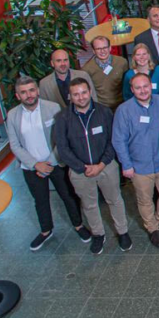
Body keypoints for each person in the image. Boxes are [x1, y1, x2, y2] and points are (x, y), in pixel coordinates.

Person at [7, 76, 91, 251]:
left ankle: (78, 225)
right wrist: (35, 165)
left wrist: (50, 162)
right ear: (18, 95)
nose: (29, 95)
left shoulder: (53, 108)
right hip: (31, 167)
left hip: (55, 162)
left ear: (37, 90)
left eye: (32, 90)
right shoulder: (12, 115)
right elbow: (14, 145)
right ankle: (46, 230)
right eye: (24, 92)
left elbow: (62, 139)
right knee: (40, 200)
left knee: (68, 196)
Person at [53, 78, 131, 255]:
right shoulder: (63, 118)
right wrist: (82, 167)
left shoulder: (104, 112)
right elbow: (63, 149)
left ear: (90, 92)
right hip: (80, 172)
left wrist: (101, 164)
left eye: (83, 92)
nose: (81, 97)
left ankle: (123, 232)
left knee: (115, 200)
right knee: (89, 205)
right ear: (70, 96)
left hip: (106, 166)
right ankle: (98, 234)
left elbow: (113, 140)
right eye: (76, 94)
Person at [113, 73, 159, 248]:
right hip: (139, 165)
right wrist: (126, 165)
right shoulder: (123, 110)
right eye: (138, 87)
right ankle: (153, 229)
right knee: (145, 200)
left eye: (145, 86)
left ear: (151, 86)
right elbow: (118, 140)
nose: (143, 90)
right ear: (132, 89)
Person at [82, 36, 128, 110]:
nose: (102, 51)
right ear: (93, 51)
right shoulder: (87, 69)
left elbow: (127, 85)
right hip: (101, 108)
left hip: (122, 105)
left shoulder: (122, 62)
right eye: (98, 49)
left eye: (105, 47)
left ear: (110, 48)